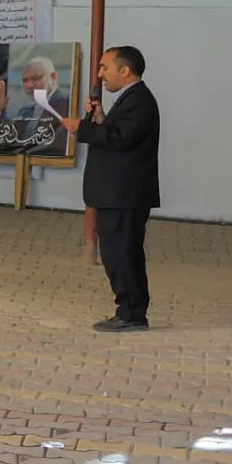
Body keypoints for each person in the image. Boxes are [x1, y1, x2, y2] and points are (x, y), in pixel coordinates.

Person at [60, 46, 161, 332]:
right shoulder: (129, 99)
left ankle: (131, 314)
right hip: (117, 193)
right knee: (119, 253)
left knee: (122, 254)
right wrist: (100, 119)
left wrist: (82, 127)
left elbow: (120, 139)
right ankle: (129, 310)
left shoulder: (139, 100)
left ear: (124, 70)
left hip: (125, 194)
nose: (100, 74)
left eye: (105, 67)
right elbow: (117, 135)